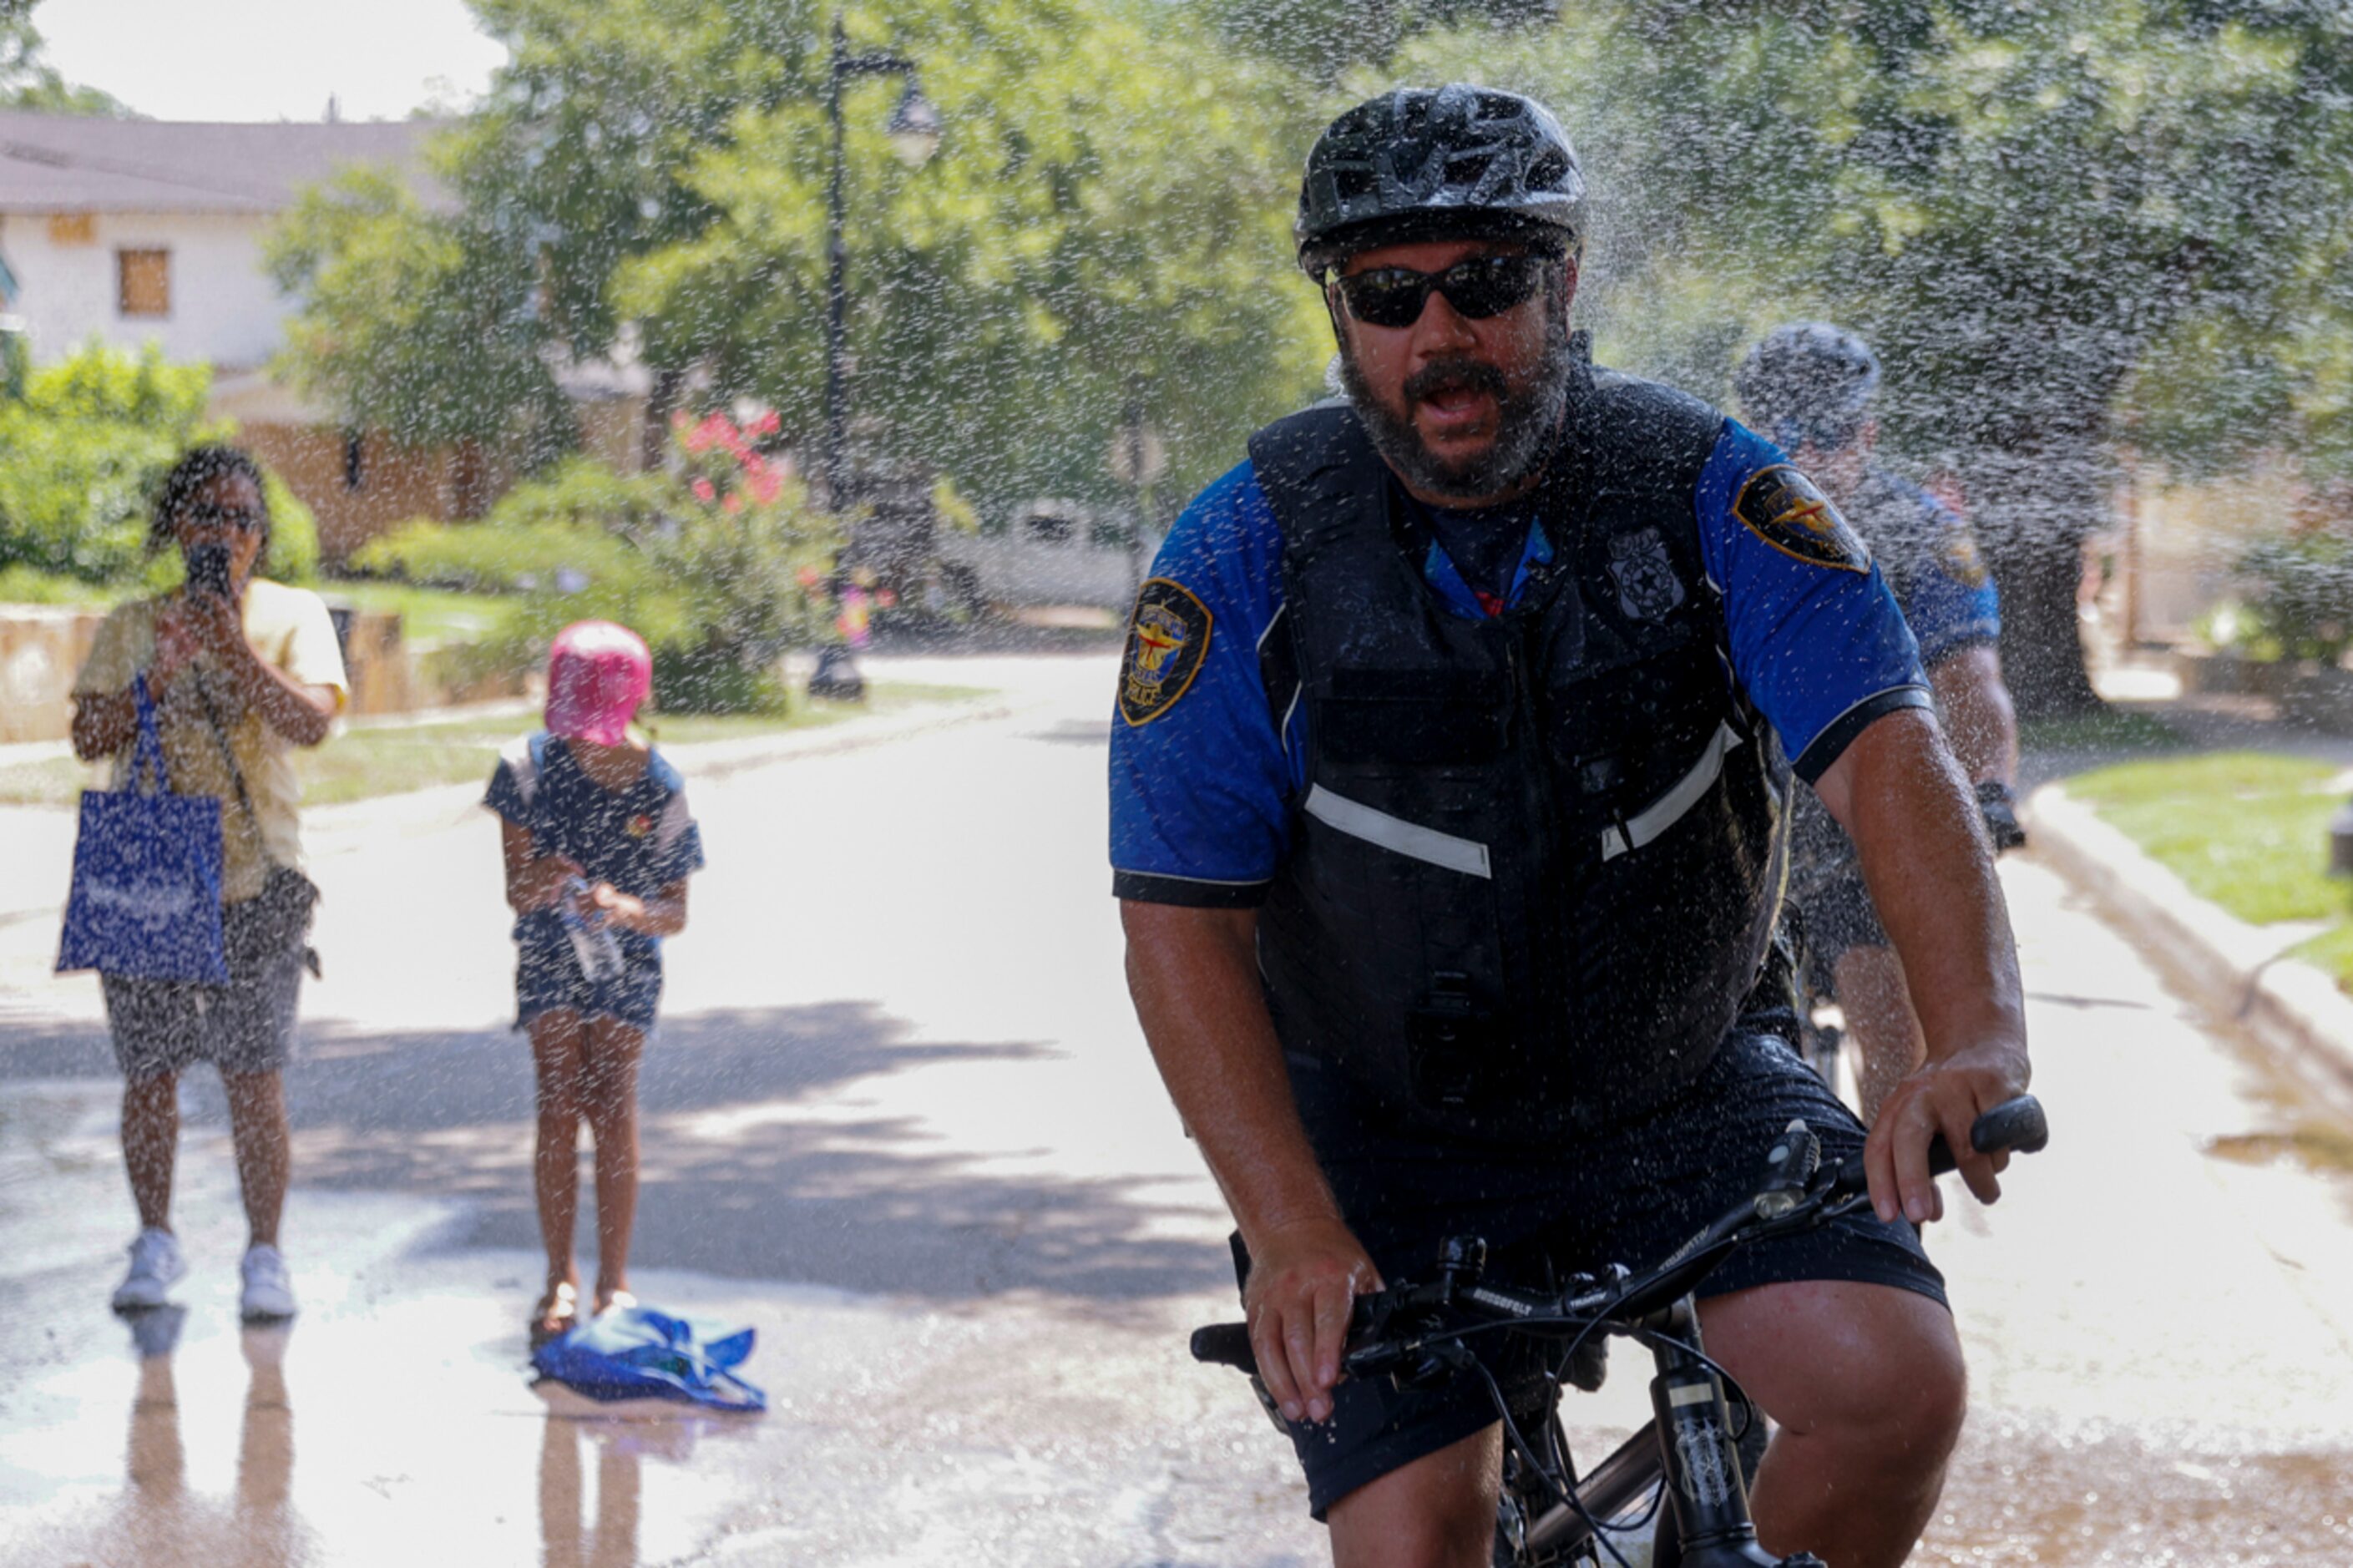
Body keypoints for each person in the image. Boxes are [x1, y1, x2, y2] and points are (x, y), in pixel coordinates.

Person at [1111, 87, 2031, 1568]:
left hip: (1684, 1081)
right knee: (1414, 1537)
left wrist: (1976, 1034)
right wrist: (1286, 1222)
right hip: (1383, 1128)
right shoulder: (1240, 547)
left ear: (1564, 281)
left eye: (1484, 281)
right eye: (1385, 293)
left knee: (1893, 1388)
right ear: (1338, 309)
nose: (1436, 333)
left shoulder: (1710, 488)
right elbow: (1176, 921)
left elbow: (1889, 754)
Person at [70, 445, 347, 1321]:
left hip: (257, 877)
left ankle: (265, 1254)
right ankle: (154, 1239)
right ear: (175, 528)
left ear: (260, 539)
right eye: (207, 516)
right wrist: (160, 671)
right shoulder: (133, 623)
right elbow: (89, 736)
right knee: (149, 1074)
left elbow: (310, 723)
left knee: (252, 1074)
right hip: (153, 868)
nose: (224, 534)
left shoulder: (293, 615)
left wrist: (234, 651)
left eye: (242, 519)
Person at [1736, 323, 2027, 1121]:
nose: (1805, 454)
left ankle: (1893, 1214)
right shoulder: (1719, 511)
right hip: (1746, 806)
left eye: (1826, 434)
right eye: (1781, 432)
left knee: (1887, 1015)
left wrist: (1991, 790)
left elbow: (1972, 688)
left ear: (1867, 433)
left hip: (1864, 813)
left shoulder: (1923, 535)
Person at [483, 620, 703, 1343]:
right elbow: (516, 889)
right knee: (558, 1098)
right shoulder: (524, 769)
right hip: (549, 950)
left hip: (626, 958)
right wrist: (543, 879)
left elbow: (675, 914)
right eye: (573, 728)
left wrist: (625, 908)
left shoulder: (663, 787)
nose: (581, 743)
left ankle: (614, 1283)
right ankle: (560, 1280)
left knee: (611, 1103)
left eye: (595, 729)